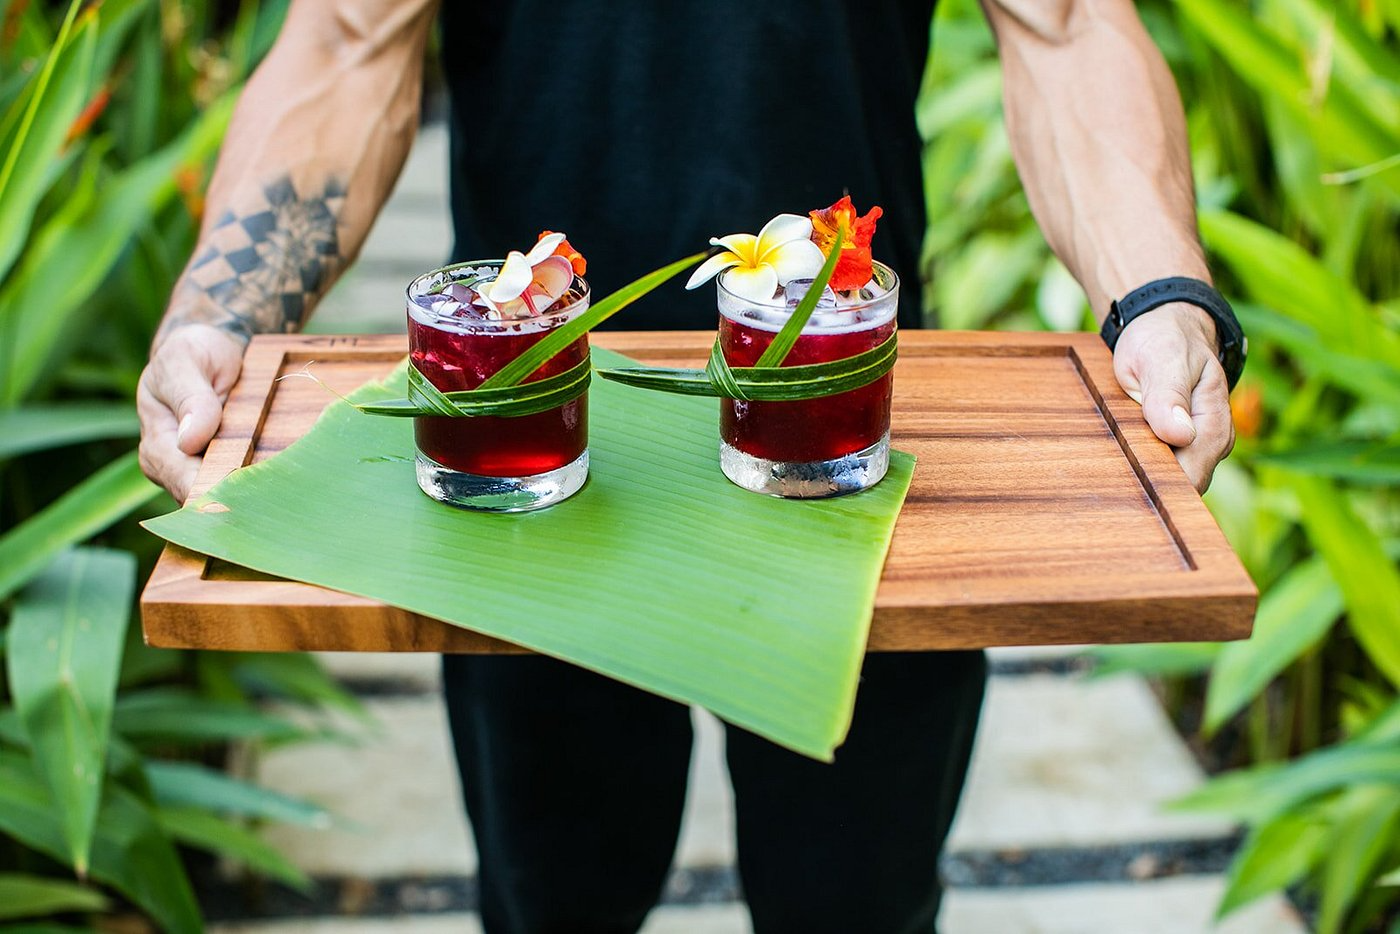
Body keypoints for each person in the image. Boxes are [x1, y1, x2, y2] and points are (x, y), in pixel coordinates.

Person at [137, 2, 1238, 931]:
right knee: (552, 905)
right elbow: (343, 39)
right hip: (527, 450)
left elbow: (1064, 24)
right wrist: (220, 316)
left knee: (859, 905)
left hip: (841, 442)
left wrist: (1157, 297)